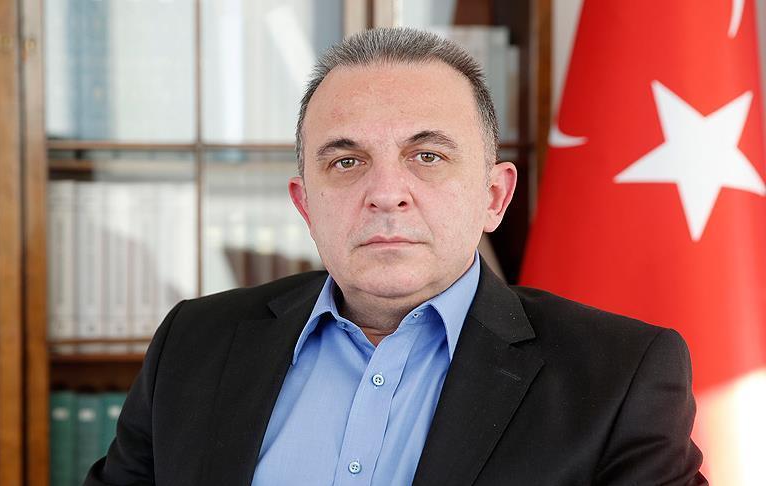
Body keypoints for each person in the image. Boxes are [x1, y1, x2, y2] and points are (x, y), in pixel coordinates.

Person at [84, 27, 706, 485]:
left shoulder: (620, 377)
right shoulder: (192, 344)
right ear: (305, 203)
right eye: (346, 161)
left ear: (494, 197)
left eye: (427, 156)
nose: (385, 193)